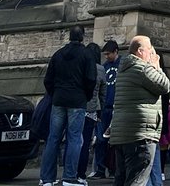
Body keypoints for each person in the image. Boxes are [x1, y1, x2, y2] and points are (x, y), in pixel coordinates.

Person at [41, 24, 99, 186]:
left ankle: (47, 179)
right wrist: (85, 96)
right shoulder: (87, 55)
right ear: (82, 37)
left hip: (59, 99)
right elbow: (91, 79)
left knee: (53, 139)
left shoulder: (58, 54)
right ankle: (69, 177)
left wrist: (55, 94)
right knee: (74, 139)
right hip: (77, 101)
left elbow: (48, 80)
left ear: (69, 37)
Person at [108, 35, 170, 186]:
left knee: (122, 179)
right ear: (141, 51)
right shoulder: (143, 68)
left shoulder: (124, 69)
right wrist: (157, 67)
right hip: (140, 135)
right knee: (137, 180)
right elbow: (164, 85)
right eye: (150, 49)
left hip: (122, 135)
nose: (152, 53)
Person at [92, 40, 122, 178]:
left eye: (108, 54)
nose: (106, 57)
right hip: (105, 108)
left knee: (117, 141)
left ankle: (115, 169)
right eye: (104, 54)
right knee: (101, 140)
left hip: (118, 107)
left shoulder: (122, 65)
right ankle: (100, 169)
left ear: (116, 51)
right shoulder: (103, 67)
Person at [79, 43, 107, 182]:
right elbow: (103, 93)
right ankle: (80, 175)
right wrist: (100, 111)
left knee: (73, 141)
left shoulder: (80, 65)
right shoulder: (100, 69)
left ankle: (70, 172)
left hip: (76, 107)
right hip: (91, 110)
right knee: (85, 144)